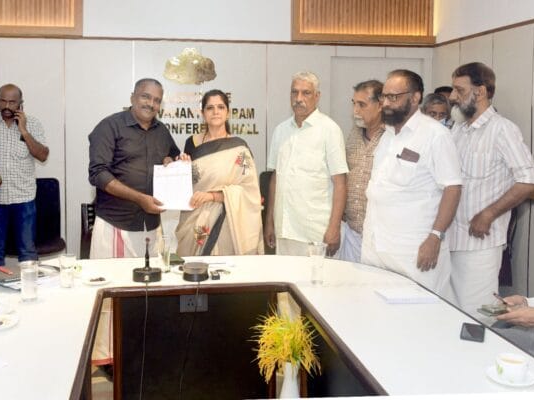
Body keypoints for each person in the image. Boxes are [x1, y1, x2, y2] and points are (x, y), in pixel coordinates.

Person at [88, 78, 179, 370]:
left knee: (145, 294)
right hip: (116, 224)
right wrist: (139, 198)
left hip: (150, 226)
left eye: (157, 100)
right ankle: (108, 358)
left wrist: (174, 162)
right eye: (145, 97)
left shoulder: (162, 131)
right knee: (112, 293)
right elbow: (98, 174)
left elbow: (173, 157)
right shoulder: (109, 127)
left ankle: (140, 354)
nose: (151, 104)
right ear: (132, 97)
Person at [361, 69, 462, 296]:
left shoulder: (435, 135)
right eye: (384, 96)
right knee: (375, 309)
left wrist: (435, 237)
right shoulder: (387, 135)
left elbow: (453, 188)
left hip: (412, 251)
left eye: (393, 97)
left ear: (415, 98)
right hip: (376, 246)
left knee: (418, 311)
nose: (386, 103)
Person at [448, 62, 534, 316]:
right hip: (450, 239)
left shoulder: (503, 130)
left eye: (459, 90)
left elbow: (529, 180)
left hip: (480, 244)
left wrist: (488, 214)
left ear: (481, 91)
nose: (453, 97)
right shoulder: (458, 129)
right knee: (450, 311)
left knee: (476, 315)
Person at [265, 71, 348, 256]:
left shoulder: (329, 130)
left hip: (315, 232)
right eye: (294, 92)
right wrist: (269, 221)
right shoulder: (280, 131)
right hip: (284, 229)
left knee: (316, 275)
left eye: (306, 93)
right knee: (285, 275)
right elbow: (276, 178)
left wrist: (334, 228)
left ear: (317, 96)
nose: (299, 98)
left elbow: (340, 183)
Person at [175, 89, 263, 256]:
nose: (215, 112)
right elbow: (187, 186)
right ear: (203, 113)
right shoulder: (192, 143)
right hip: (196, 219)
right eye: (210, 108)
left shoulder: (239, 149)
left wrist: (213, 196)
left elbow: (249, 190)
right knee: (195, 267)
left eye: (220, 107)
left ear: (227, 113)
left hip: (228, 222)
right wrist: (182, 168)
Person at [0, 84, 49, 268]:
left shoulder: (33, 123)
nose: (7, 106)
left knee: (27, 251)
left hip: (24, 199)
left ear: (21, 103)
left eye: (12, 102)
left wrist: (24, 130)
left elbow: (42, 155)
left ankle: (30, 284)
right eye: (3, 101)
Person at [336, 80, 384, 262]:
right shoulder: (354, 133)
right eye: (354, 104)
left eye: (362, 105)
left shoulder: (392, 137)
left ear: (380, 105)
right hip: (352, 231)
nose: (355, 111)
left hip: (380, 237)